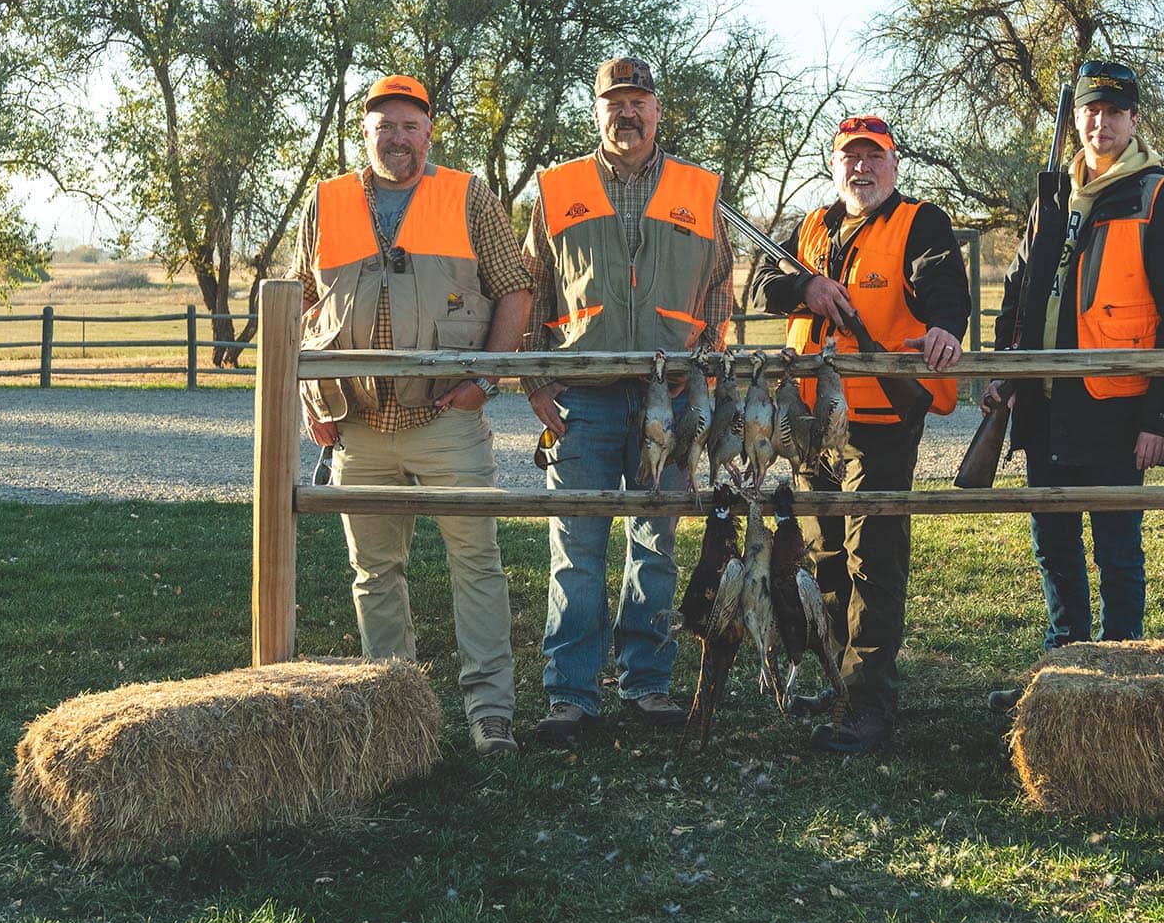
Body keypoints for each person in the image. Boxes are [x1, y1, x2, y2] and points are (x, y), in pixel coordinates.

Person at [293, 74, 533, 756]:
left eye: (409, 126)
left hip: (447, 419)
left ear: (429, 132)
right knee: (374, 574)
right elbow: (301, 303)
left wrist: (484, 379)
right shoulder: (326, 201)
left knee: (476, 565)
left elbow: (515, 289)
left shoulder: (468, 195)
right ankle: (394, 716)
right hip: (358, 426)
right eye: (383, 127)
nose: (396, 139)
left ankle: (490, 713)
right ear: (363, 134)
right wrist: (313, 395)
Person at [522, 56, 734, 747]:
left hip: (667, 398)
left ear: (657, 110)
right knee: (576, 548)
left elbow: (721, 289)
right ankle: (571, 695)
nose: (627, 113)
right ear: (596, 111)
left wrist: (703, 378)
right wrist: (535, 380)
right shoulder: (557, 188)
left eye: (638, 101)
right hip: (581, 397)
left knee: (655, 545)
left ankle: (646, 683)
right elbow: (532, 287)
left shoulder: (699, 188)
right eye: (614, 102)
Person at [745, 115, 969, 753]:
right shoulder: (812, 226)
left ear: (894, 165)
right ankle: (843, 680)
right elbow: (762, 287)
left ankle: (870, 705)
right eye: (851, 157)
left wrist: (943, 328)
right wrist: (807, 287)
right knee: (825, 555)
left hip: (881, 420)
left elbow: (945, 291)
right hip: (810, 423)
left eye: (874, 157)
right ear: (835, 164)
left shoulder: (919, 222)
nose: (862, 168)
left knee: (873, 557)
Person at [984, 61, 1164, 712]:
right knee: (1052, 544)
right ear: (1077, 117)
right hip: (1045, 400)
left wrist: (1159, 419)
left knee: (1117, 548)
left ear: (1133, 120)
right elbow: (1019, 289)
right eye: (1090, 110)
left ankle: (1119, 676)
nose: (1100, 122)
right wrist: (1006, 368)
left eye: (1113, 111)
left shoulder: (1158, 197)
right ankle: (1063, 672)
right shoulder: (1053, 196)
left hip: (1118, 406)